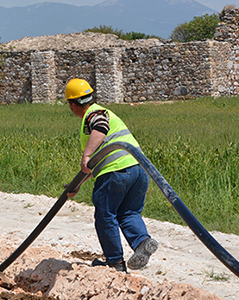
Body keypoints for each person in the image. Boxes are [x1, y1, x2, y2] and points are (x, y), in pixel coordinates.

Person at [64, 78, 157, 273]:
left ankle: (115, 263)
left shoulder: (94, 114)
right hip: (138, 170)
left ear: (72, 105)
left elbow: (100, 128)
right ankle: (142, 242)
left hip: (115, 174)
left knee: (105, 216)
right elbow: (98, 161)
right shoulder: (103, 111)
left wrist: (86, 154)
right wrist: (79, 183)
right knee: (129, 212)